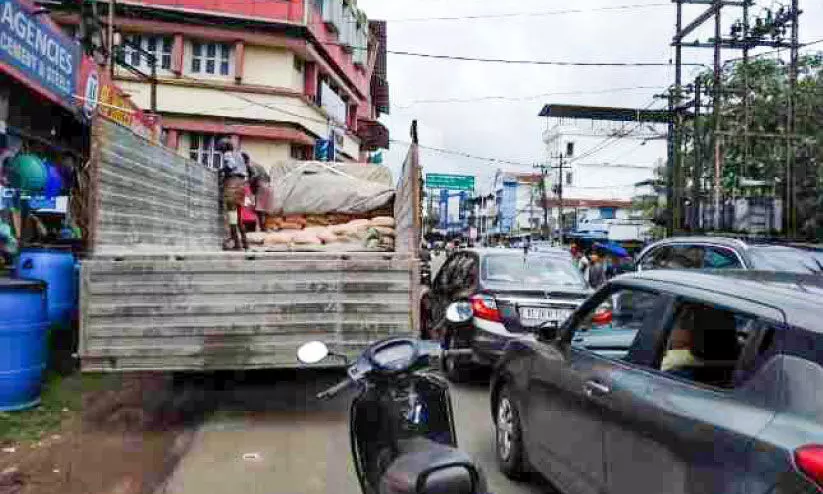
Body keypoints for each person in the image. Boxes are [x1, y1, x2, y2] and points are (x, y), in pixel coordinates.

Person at [217, 139, 248, 250]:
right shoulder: (239, 155)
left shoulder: (227, 154)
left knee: (232, 216)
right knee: (238, 216)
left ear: (224, 148)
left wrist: (220, 171)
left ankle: (237, 244)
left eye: (220, 148)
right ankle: (245, 243)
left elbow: (231, 166)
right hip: (241, 185)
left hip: (232, 185)